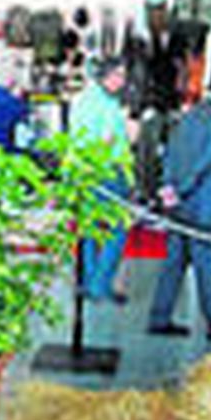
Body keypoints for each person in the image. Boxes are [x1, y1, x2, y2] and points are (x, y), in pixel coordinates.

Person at [147, 67, 211, 345]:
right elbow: (206, 163)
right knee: (210, 267)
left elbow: (172, 152)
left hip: (182, 208)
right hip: (206, 209)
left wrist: (169, 188)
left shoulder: (190, 115)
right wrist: (180, 189)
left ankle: (159, 318)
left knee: (174, 264)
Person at [69, 56, 135, 303]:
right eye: (119, 75)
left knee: (89, 230)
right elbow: (107, 140)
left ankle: (88, 282)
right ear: (106, 76)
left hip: (84, 172)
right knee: (118, 229)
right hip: (107, 172)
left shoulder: (83, 99)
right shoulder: (107, 104)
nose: (122, 81)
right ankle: (100, 284)